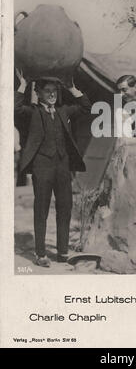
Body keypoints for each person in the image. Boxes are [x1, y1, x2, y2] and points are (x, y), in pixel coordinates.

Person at [14, 70, 91, 267]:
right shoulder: (32, 112)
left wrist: (72, 88)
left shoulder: (64, 111)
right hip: (42, 166)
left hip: (63, 166)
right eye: (47, 91)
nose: (52, 94)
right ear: (38, 93)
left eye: (54, 91)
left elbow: (86, 107)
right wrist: (23, 85)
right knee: (41, 209)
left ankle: (63, 252)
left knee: (65, 208)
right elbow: (13, 108)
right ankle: (40, 254)